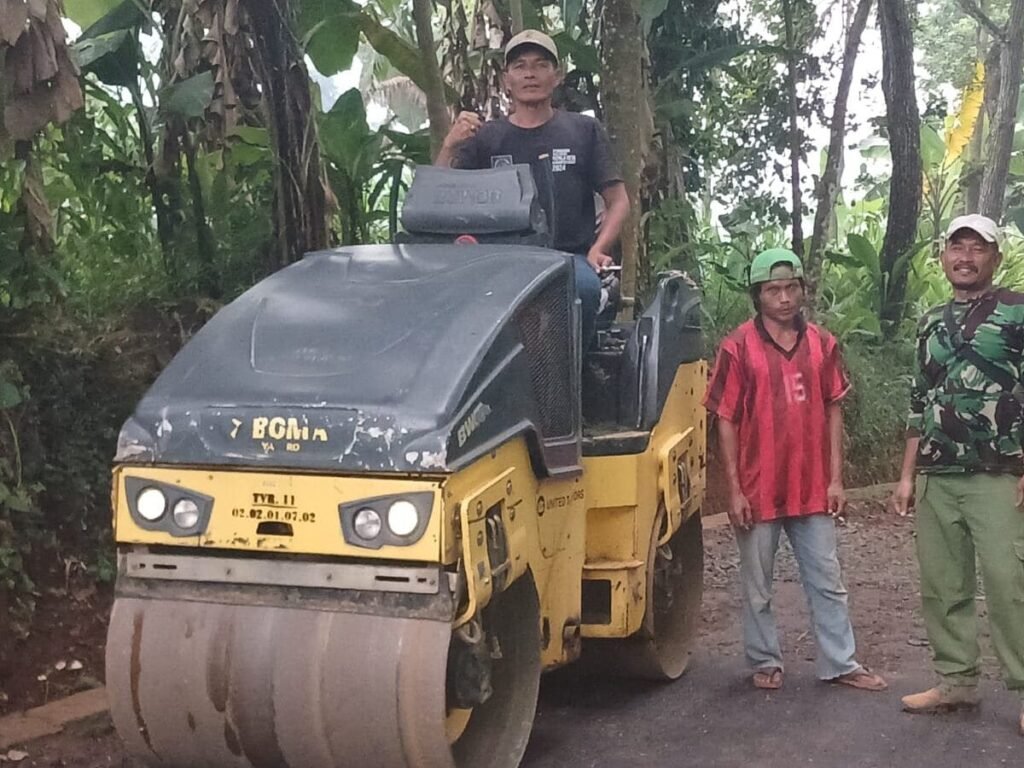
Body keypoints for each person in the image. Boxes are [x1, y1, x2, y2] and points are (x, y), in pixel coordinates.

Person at [704, 248, 887, 693]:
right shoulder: (737, 347)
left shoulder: (824, 343)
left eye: (791, 288)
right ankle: (765, 660)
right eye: (773, 290)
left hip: (812, 487)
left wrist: (836, 479)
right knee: (757, 586)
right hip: (757, 486)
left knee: (828, 579)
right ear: (758, 295)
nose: (783, 298)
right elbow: (724, 418)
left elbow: (834, 409)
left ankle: (841, 662)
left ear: (803, 290)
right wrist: (734, 490)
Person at [892, 214, 1024, 735]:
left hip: (999, 473)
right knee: (942, 585)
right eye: (956, 247)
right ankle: (956, 680)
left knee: (1010, 583)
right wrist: (906, 476)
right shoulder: (930, 319)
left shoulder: (1016, 312)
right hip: (936, 473)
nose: (965, 257)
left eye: (977, 248)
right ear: (943, 256)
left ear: (994, 257)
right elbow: (918, 399)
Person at [435, 29, 630, 347]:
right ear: (506, 79)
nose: (530, 74)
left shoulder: (583, 130)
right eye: (520, 66)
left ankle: (575, 385)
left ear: (557, 76)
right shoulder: (487, 137)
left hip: (568, 261)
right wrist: (449, 146)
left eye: (541, 65)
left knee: (584, 289)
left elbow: (618, 200)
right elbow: (440, 197)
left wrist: (598, 249)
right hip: (498, 264)